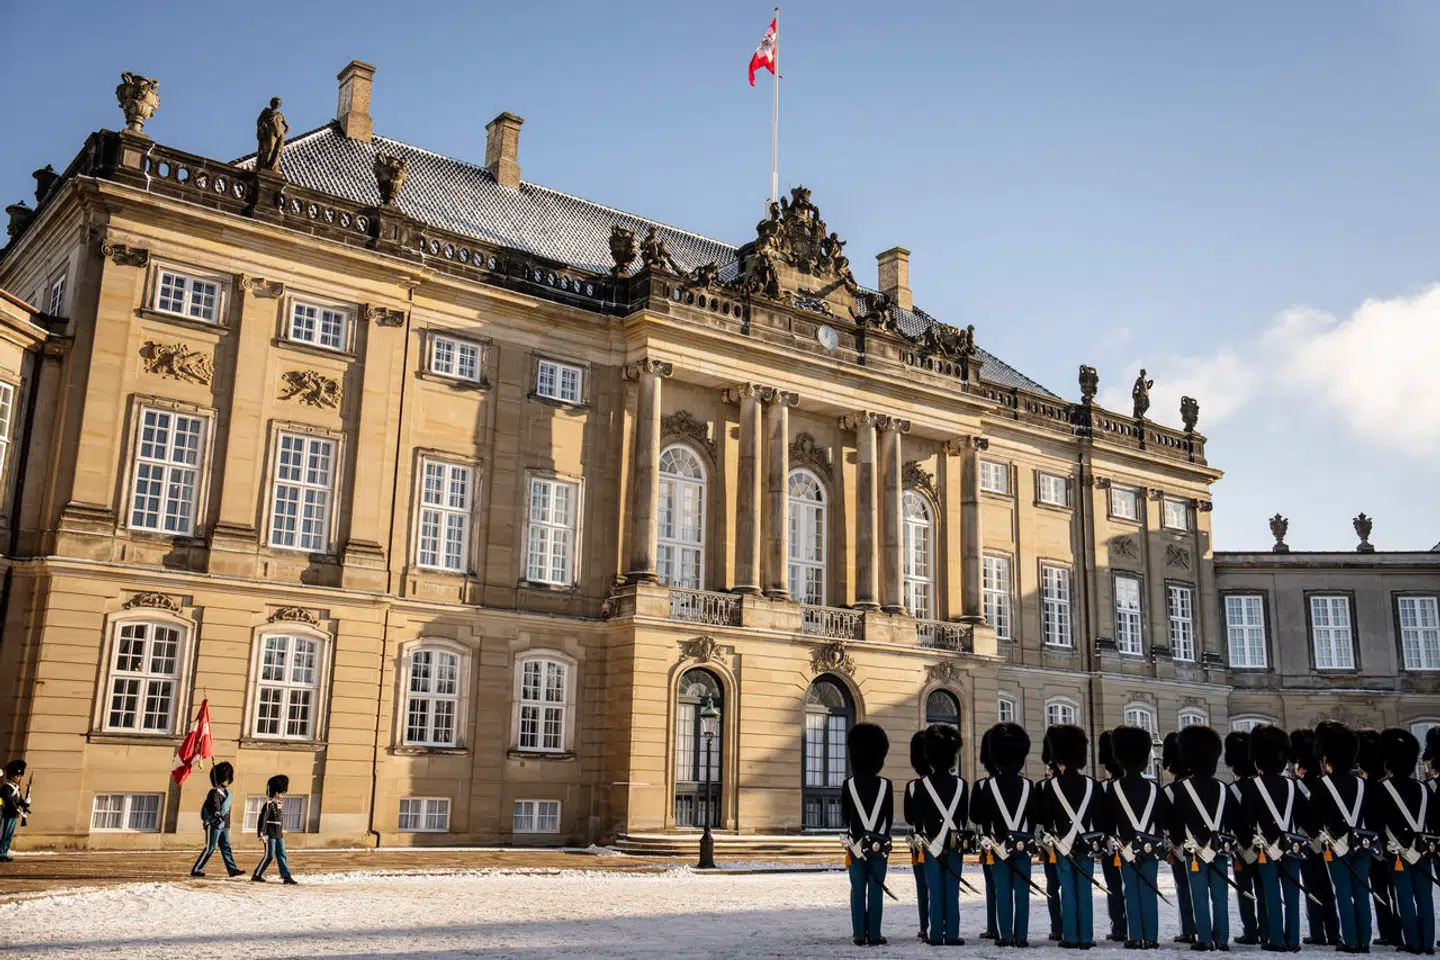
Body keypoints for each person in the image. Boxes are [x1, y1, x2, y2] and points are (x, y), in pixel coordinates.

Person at [1098, 724, 1169, 950]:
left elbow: (1107, 822)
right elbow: (1162, 820)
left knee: (1130, 890)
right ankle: (1152, 936)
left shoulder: (1113, 787)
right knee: (1149, 888)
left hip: (1126, 846)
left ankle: (1135, 935)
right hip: (1149, 846)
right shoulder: (1154, 788)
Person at [1367, 727, 1435, 955]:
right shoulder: (1424, 788)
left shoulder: (1381, 789)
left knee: (1404, 896)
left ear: (1389, 763)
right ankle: (1428, 943)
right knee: (1425, 898)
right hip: (1423, 851)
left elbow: (1375, 822)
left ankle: (1412, 941)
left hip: (1397, 851)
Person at [1311, 721, 1373, 955]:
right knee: (1361, 892)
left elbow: (1316, 817)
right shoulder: (1362, 784)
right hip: (1361, 844)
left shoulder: (1322, 784)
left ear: (1328, 759)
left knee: (1344, 893)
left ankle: (1350, 940)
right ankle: (1364, 940)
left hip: (1336, 845)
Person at [1172, 724, 1234, 952]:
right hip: (1218, 848)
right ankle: (1223, 939)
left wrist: (1179, 842)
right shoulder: (1223, 788)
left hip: (1194, 850)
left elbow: (1177, 821)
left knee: (1198, 894)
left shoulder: (1182, 788)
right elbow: (1229, 819)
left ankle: (1205, 938)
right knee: (1220, 896)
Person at [1035, 724, 1098, 950]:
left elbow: (1044, 817)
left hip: (1063, 843)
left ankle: (1070, 936)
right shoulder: (1092, 784)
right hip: (1086, 844)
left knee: (1068, 890)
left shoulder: (1051, 786)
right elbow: (1098, 815)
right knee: (1085, 889)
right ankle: (1086, 936)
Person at [1242, 724, 1302, 952]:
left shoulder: (1251, 786)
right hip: (1292, 846)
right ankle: (1293, 938)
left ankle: (1277, 938)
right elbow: (1304, 815)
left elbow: (1246, 817)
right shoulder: (1293, 785)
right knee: (1292, 894)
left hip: (1267, 847)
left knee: (1272, 893)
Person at [912, 723, 968, 946]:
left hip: (931, 843)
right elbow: (964, 816)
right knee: (952, 891)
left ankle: (935, 934)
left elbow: (916, 816)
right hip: (954, 844)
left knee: (934, 890)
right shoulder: (961, 785)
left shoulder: (922, 785)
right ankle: (952, 933)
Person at [842, 722, 894, 947]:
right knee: (876, 889)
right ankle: (874, 933)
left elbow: (845, 815)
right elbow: (889, 817)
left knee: (857, 889)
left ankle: (858, 934)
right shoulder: (886, 785)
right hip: (879, 846)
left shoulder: (848, 785)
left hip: (855, 844)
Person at [984, 721, 1035, 948]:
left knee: (1002, 890)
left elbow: (978, 816)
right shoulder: (1028, 785)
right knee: (1022, 891)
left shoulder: (989, 785)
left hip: (999, 844)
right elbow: (1034, 818)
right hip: (1022, 844)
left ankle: (1005, 934)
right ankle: (1021, 935)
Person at [1291, 729, 1340, 947]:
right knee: (1328, 888)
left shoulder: (1296, 786)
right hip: (1328, 841)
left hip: (1307, 843)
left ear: (1300, 765)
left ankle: (1318, 932)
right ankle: (1334, 931)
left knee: (1312, 887)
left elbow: (1295, 815)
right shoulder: (1325, 783)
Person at [1358, 728, 1401, 947]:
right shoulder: (1387, 785)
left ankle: (1389, 931)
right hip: (1397, 844)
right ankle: (1401, 929)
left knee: (1381, 890)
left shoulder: (1367, 788)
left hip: (1376, 845)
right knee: (1398, 891)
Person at [1225, 731, 1265, 945]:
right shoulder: (1261, 786)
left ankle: (1250, 929)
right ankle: (1266, 928)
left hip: (1241, 847)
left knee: (1245, 890)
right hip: (1264, 846)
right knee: (1262, 888)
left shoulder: (1232, 789)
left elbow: (1229, 820)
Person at [1164, 731, 1198, 945]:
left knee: (1183, 888)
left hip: (1179, 846)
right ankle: (1201, 926)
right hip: (1203, 845)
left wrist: (1174, 842)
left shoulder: (1169, 791)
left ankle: (1188, 928)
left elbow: (1168, 821)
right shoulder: (1201, 786)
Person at [1097, 731, 1129, 943]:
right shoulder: (1131, 786)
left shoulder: (1102, 788)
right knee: (1131, 887)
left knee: (1113, 887)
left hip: (1109, 844)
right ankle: (1133, 924)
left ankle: (1119, 927)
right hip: (1130, 843)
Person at [972, 725, 1001, 941]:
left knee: (993, 887)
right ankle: (1010, 927)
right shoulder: (1022, 783)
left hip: (991, 842)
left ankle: (994, 926)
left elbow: (974, 816)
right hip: (1015, 841)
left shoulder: (982, 785)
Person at [191, 761, 243, 878]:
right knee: (210, 848)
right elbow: (214, 808)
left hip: (224, 825)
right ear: (221, 779)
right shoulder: (213, 793)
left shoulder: (226, 794)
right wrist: (215, 815)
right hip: (214, 824)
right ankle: (196, 868)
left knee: (226, 847)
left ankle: (232, 869)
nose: (228, 781)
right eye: (226, 778)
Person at [905, 730, 933, 943]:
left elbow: (908, 816)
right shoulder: (947, 784)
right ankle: (939, 923)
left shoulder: (912, 786)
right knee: (939, 886)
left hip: (919, 843)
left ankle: (924, 925)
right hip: (941, 841)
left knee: (922, 886)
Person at [1039, 736, 1064, 942]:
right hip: (1066, 842)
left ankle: (1057, 927)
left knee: (1052, 887)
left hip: (1052, 844)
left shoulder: (1044, 787)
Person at [251, 774, 296, 884]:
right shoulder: (269, 804)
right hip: (269, 833)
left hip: (278, 834)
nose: (283, 794)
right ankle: (257, 874)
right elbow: (262, 819)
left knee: (282, 854)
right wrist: (260, 833)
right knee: (269, 856)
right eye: (282, 792)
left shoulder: (279, 804)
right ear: (276, 792)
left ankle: (286, 876)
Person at [0, 760, 29, 863]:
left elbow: (19, 801)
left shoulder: (17, 788)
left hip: (14, 815)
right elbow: (9, 800)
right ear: (10, 775)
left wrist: (25, 803)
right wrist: (17, 809)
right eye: (15, 775)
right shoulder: (6, 787)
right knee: (3, 834)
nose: (17, 777)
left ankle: (4, 853)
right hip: (6, 814)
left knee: (9, 835)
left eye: (18, 775)